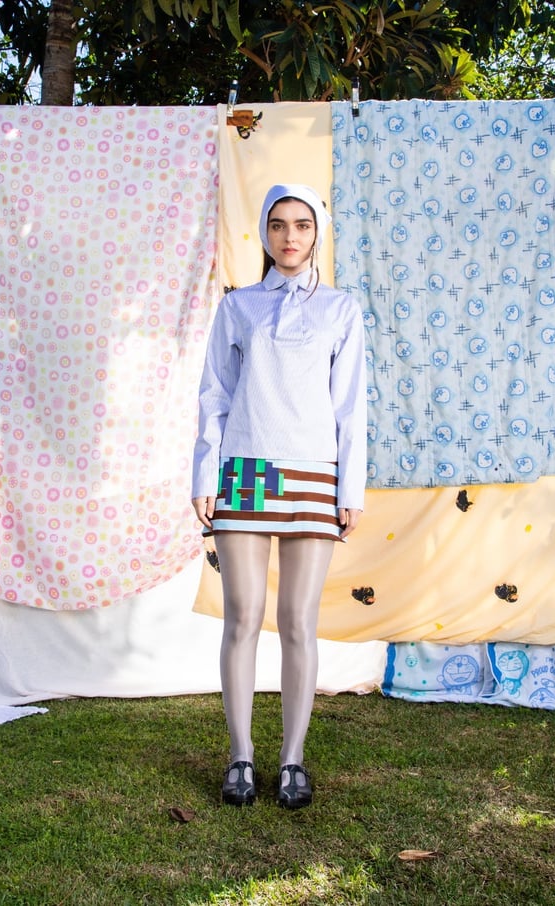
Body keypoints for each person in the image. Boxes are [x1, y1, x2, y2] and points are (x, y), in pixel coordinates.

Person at [191, 183, 367, 809]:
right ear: (265, 233)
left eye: (302, 225)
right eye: (278, 225)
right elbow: (214, 394)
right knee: (242, 617)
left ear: (318, 231)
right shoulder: (238, 306)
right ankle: (240, 755)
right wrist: (204, 476)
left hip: (315, 473)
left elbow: (350, 407)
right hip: (244, 471)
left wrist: (350, 487)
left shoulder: (341, 310)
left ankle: (293, 759)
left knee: (297, 620)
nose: (290, 237)